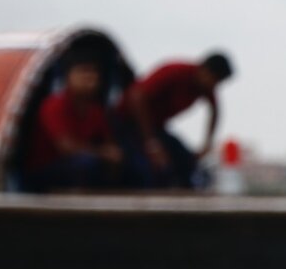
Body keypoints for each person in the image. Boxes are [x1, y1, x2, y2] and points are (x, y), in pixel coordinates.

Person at [115, 52, 234, 189]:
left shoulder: (205, 88)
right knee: (145, 166)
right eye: (214, 80)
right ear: (205, 70)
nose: (214, 87)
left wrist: (207, 143)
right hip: (126, 121)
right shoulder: (176, 71)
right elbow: (137, 96)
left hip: (155, 127)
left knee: (186, 161)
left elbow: (215, 111)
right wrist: (151, 143)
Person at [24, 52, 122, 192]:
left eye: (94, 72)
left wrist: (114, 155)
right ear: (68, 77)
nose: (90, 77)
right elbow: (67, 148)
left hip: (79, 165)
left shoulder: (95, 110)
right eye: (83, 71)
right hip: (46, 171)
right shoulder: (53, 105)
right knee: (86, 163)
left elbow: (109, 142)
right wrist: (103, 154)